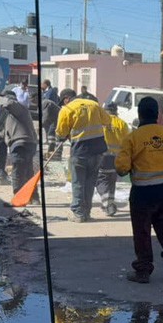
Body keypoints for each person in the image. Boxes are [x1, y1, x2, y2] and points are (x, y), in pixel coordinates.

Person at [116, 97, 163, 283]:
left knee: (142, 231)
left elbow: (122, 168)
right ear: (158, 115)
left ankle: (143, 270)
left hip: (143, 194)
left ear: (139, 115)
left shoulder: (132, 138)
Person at [56, 88, 110, 222]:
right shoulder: (95, 105)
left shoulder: (67, 109)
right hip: (98, 150)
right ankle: (87, 212)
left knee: (78, 183)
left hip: (80, 151)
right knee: (90, 183)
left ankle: (79, 213)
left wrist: (66, 135)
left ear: (67, 98)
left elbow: (60, 133)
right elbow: (107, 120)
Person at [0, 91, 38, 201]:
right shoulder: (12, 117)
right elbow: (3, 134)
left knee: (18, 172)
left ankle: (18, 199)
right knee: (28, 172)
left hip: (20, 145)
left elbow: (9, 103)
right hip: (28, 144)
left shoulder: (19, 109)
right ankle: (34, 198)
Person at [97, 102, 131, 216]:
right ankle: (108, 203)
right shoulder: (122, 123)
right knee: (111, 180)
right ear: (116, 110)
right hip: (117, 158)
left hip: (104, 156)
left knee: (102, 180)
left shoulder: (101, 123)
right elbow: (127, 142)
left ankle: (108, 204)